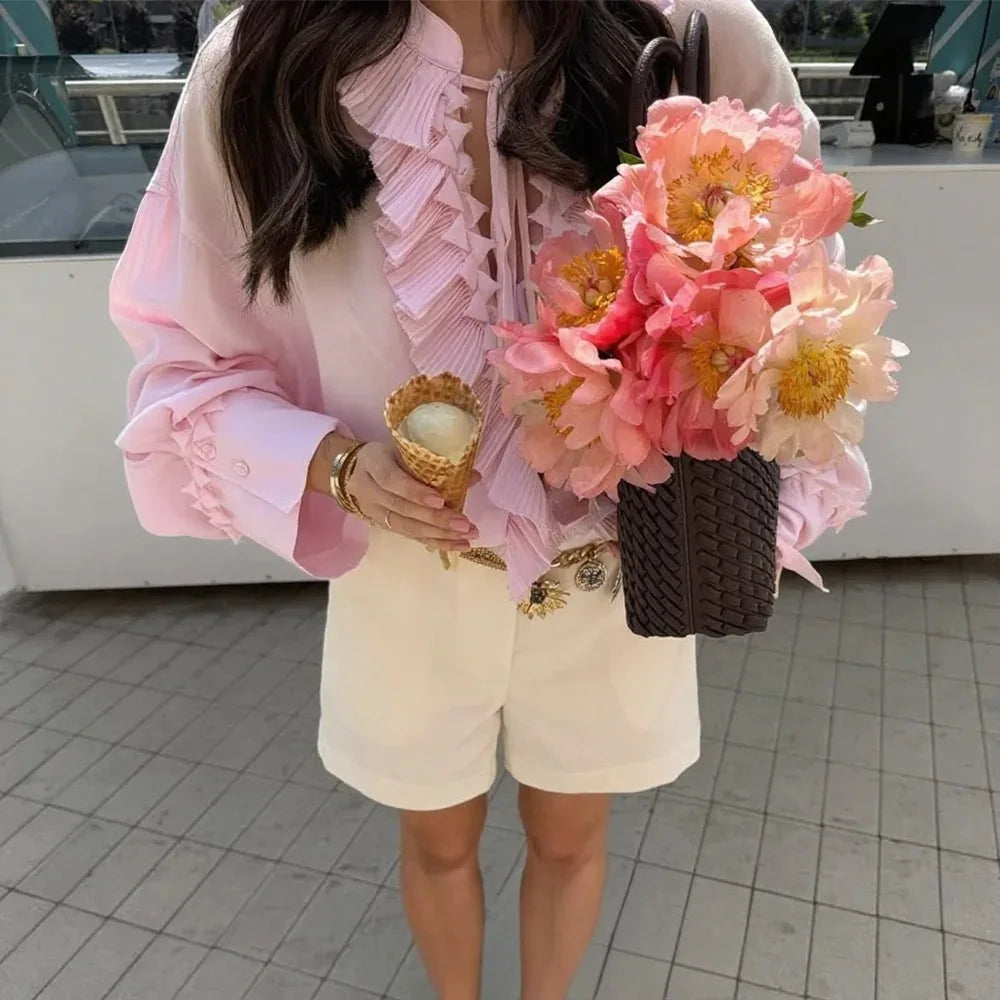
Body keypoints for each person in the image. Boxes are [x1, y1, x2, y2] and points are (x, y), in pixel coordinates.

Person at [111, 2, 818, 996]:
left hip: (617, 562)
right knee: (436, 845)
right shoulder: (265, 61)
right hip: (406, 570)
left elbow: (803, 295)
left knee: (573, 838)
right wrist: (337, 466)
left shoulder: (693, 31)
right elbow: (185, 352)